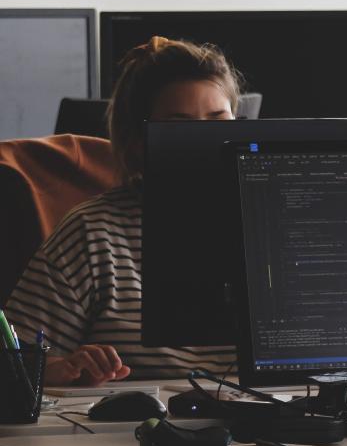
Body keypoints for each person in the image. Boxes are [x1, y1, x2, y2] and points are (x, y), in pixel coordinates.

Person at [4, 37, 239, 385]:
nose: (204, 141)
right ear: (135, 143)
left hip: (280, 422)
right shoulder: (93, 232)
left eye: (219, 122)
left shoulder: (274, 220)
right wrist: (60, 368)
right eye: (179, 127)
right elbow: (12, 367)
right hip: (140, 431)